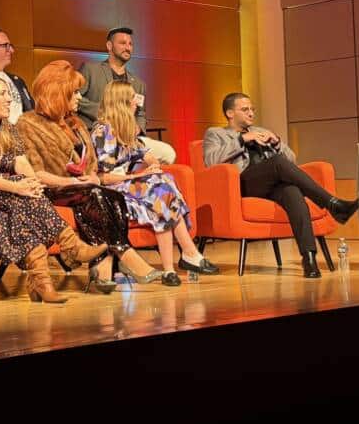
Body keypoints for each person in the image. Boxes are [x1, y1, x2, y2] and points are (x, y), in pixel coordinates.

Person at [0, 76, 107, 303]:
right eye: (2, 94)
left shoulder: (7, 129)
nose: (9, 99)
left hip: (9, 199)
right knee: (21, 203)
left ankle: (43, 282)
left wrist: (33, 183)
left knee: (27, 201)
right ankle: (69, 248)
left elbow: (21, 162)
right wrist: (17, 187)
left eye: (9, 93)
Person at [17, 60, 163, 292]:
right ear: (58, 93)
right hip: (52, 188)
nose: (79, 97)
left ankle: (101, 272)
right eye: (74, 92)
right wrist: (73, 181)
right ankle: (124, 254)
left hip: (83, 188)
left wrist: (90, 178)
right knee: (97, 195)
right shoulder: (28, 123)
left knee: (110, 196)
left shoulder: (76, 124)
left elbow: (92, 166)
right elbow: (35, 173)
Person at [203, 93, 359, 278]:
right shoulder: (216, 133)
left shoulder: (261, 131)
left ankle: (309, 259)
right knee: (277, 162)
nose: (251, 113)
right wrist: (242, 139)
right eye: (245, 110)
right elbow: (211, 160)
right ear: (230, 113)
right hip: (243, 184)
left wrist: (277, 143)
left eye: (252, 109)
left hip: (270, 183)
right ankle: (332, 204)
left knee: (292, 192)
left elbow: (291, 161)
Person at [92, 82, 217, 286]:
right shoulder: (103, 130)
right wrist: (140, 175)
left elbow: (145, 154)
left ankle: (171, 269)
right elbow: (104, 177)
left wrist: (153, 165)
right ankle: (188, 253)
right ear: (122, 102)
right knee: (160, 189)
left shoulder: (126, 129)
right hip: (110, 190)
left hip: (127, 186)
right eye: (133, 98)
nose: (137, 102)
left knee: (162, 185)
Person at [78, 26, 176, 164]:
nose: (128, 48)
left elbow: (140, 113)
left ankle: (140, 173)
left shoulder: (138, 84)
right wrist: (108, 114)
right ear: (109, 46)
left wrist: (138, 127)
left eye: (130, 44)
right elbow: (76, 99)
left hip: (128, 138)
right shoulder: (91, 70)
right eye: (122, 43)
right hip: (99, 135)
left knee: (168, 153)